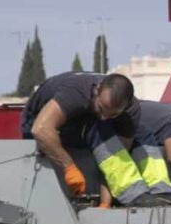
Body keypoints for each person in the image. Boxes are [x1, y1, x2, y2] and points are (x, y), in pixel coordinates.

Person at [22, 70, 141, 200]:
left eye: (113, 114)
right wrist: (69, 167)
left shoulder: (131, 110)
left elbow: (115, 159)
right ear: (97, 89)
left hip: (82, 117)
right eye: (101, 108)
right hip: (38, 118)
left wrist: (106, 200)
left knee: (105, 130)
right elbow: (40, 129)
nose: (104, 117)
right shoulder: (76, 93)